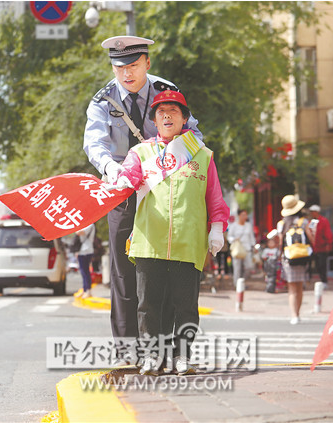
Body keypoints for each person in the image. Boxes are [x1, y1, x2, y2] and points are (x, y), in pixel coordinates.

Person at [83, 36, 204, 359]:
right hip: (122, 191)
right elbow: (95, 144)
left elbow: (194, 135)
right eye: (119, 67)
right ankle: (127, 351)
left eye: (133, 66)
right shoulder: (102, 100)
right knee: (124, 272)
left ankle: (159, 347)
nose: (126, 74)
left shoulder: (166, 90)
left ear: (147, 63)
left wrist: (164, 164)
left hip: (164, 194)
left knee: (160, 267)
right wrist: (112, 169)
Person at [108, 90, 229, 375]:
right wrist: (123, 178)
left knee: (185, 306)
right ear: (154, 120)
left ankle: (182, 356)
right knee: (148, 304)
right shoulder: (141, 153)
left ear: (185, 118)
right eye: (161, 112)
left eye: (173, 111)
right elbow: (131, 176)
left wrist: (217, 228)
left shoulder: (202, 155)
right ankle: (152, 356)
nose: (166, 115)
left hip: (188, 242)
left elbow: (215, 198)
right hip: (149, 242)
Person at [277, 195, 310, 325]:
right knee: (300, 285)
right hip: (302, 256)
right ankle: (299, 313)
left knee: (292, 287)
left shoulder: (282, 224)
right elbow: (311, 239)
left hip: (288, 257)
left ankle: (294, 315)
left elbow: (280, 243)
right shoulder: (304, 222)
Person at [227, 209, 256, 289]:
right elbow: (229, 237)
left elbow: (251, 237)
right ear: (239, 216)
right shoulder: (233, 226)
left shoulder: (248, 225)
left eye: (245, 215)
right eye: (243, 215)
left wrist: (254, 246)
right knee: (237, 268)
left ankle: (242, 281)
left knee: (249, 267)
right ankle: (237, 285)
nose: (245, 217)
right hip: (237, 249)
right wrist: (234, 239)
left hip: (247, 249)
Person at [307, 204, 333, 288]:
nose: (311, 213)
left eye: (313, 212)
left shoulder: (323, 221)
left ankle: (324, 281)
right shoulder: (311, 222)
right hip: (314, 248)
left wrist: (328, 244)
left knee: (322, 264)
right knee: (317, 265)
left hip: (322, 247)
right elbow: (310, 232)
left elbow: (328, 233)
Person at [74, 223, 95, 299]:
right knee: (82, 272)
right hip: (81, 251)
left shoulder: (90, 224)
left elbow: (80, 232)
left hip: (87, 250)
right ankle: (84, 289)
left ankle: (88, 291)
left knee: (86, 271)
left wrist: (75, 228)